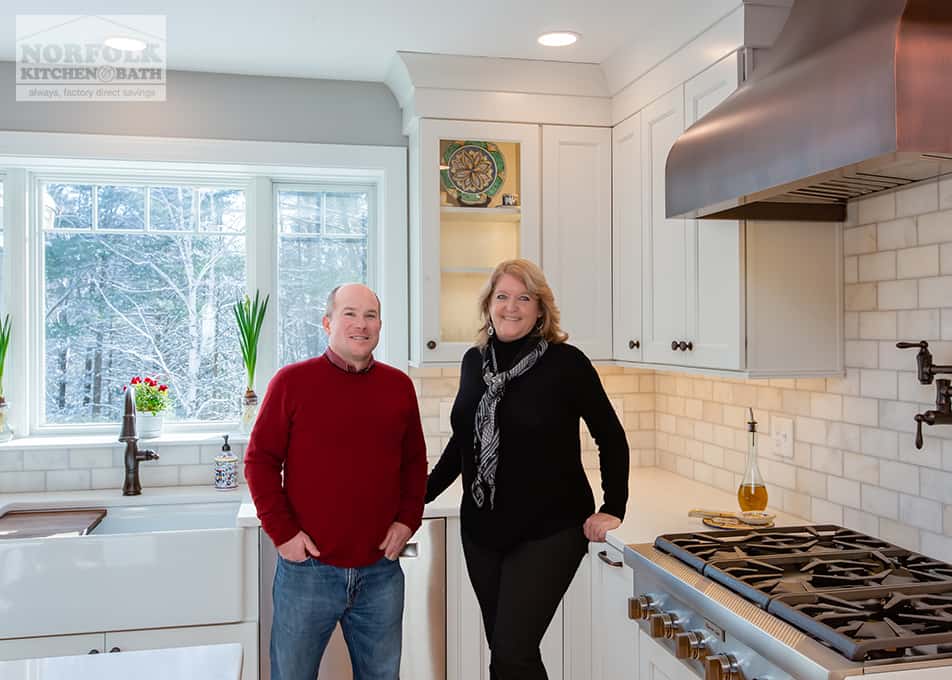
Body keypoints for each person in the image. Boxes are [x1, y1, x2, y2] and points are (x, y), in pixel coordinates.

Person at [425, 259, 629, 679]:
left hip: (549, 529)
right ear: (488, 305)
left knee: (511, 651)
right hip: (482, 529)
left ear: (541, 309)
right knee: (508, 652)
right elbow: (465, 443)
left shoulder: (565, 363)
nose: (511, 306)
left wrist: (614, 504)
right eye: (502, 296)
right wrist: (417, 496)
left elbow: (609, 434)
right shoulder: (473, 362)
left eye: (524, 298)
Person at [244, 283, 427, 680]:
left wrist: (407, 520)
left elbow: (414, 464)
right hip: (309, 570)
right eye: (350, 314)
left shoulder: (398, 387)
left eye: (370, 316)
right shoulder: (292, 382)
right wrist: (284, 534)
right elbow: (259, 461)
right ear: (327, 322)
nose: (361, 325)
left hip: (381, 569)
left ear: (380, 325)